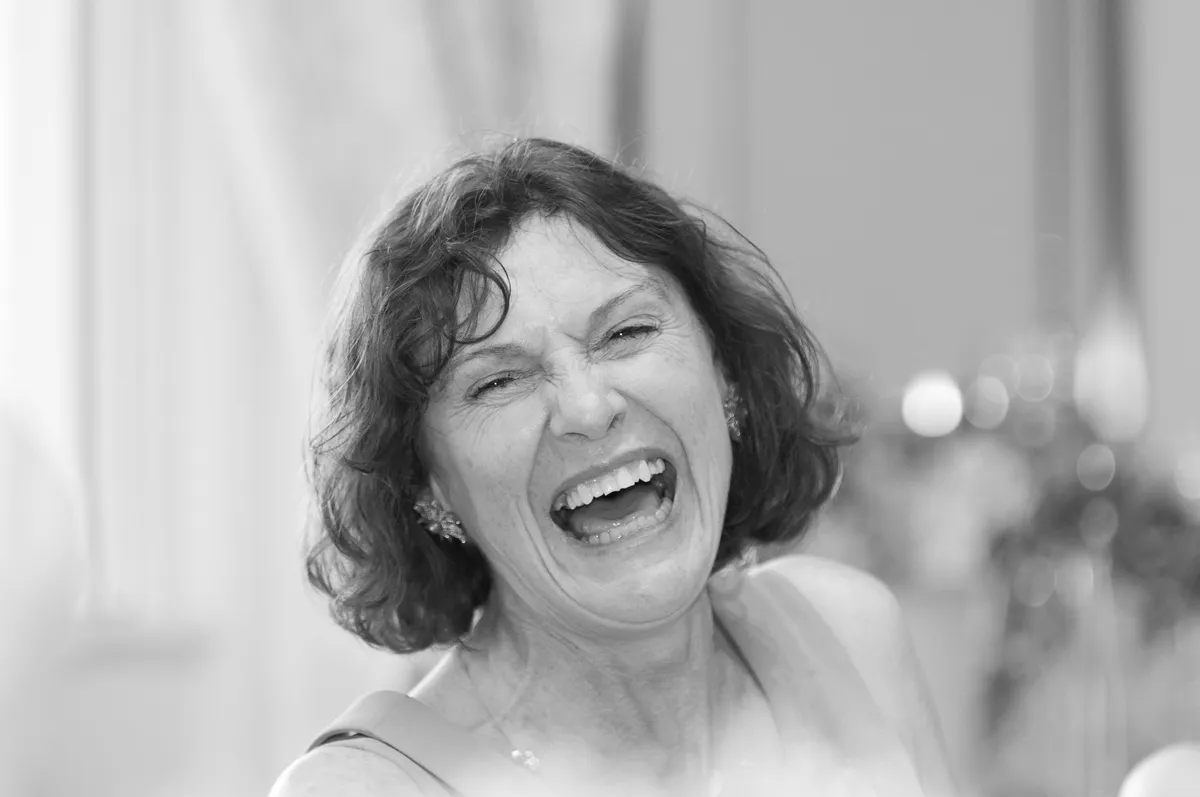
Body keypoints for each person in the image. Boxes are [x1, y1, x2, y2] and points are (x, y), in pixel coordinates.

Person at [271, 138, 956, 796]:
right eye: (498, 381)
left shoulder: (853, 633)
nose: (589, 408)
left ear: (725, 373)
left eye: (627, 333)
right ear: (428, 485)